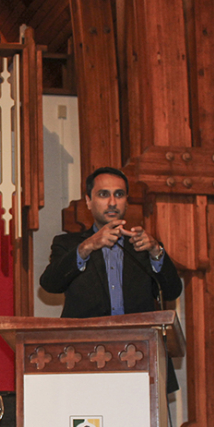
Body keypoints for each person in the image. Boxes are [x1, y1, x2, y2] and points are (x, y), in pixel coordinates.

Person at [39, 167, 182, 390]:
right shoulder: (68, 244)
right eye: (103, 194)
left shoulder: (144, 246)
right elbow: (49, 284)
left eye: (119, 194)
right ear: (88, 201)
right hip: (83, 360)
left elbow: (172, 291)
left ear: (126, 201)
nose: (112, 202)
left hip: (140, 359)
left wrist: (156, 252)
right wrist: (87, 247)